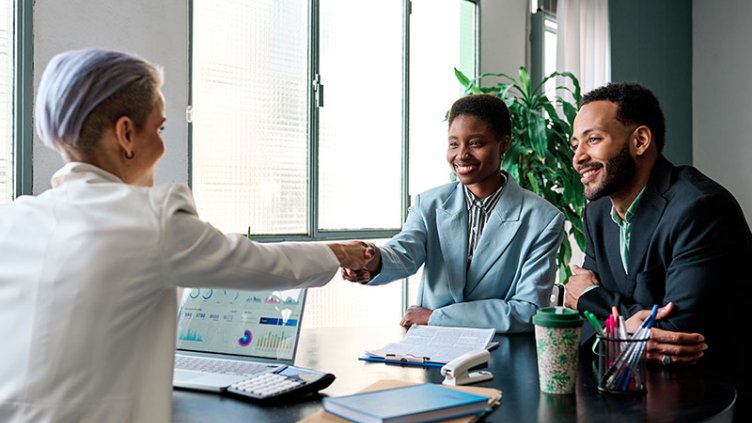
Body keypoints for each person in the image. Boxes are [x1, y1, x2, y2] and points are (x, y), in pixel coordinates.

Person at [0, 49, 373, 422]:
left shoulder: (14, 219)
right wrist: (340, 251)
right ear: (125, 133)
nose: (162, 145)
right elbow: (263, 266)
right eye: (159, 129)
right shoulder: (150, 218)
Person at [565, 81, 751, 419]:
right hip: (628, 396)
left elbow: (680, 335)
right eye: (576, 144)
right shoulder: (595, 213)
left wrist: (591, 297)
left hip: (708, 402)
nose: (578, 158)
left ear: (640, 141)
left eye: (593, 140)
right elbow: (583, 327)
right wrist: (625, 332)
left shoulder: (700, 208)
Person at [342, 94, 565, 332]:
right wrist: (371, 259)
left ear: (503, 145)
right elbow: (404, 252)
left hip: (500, 354)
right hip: (431, 352)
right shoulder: (428, 203)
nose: (462, 155)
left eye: (476, 143)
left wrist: (436, 316)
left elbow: (527, 310)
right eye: (454, 144)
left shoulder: (543, 219)